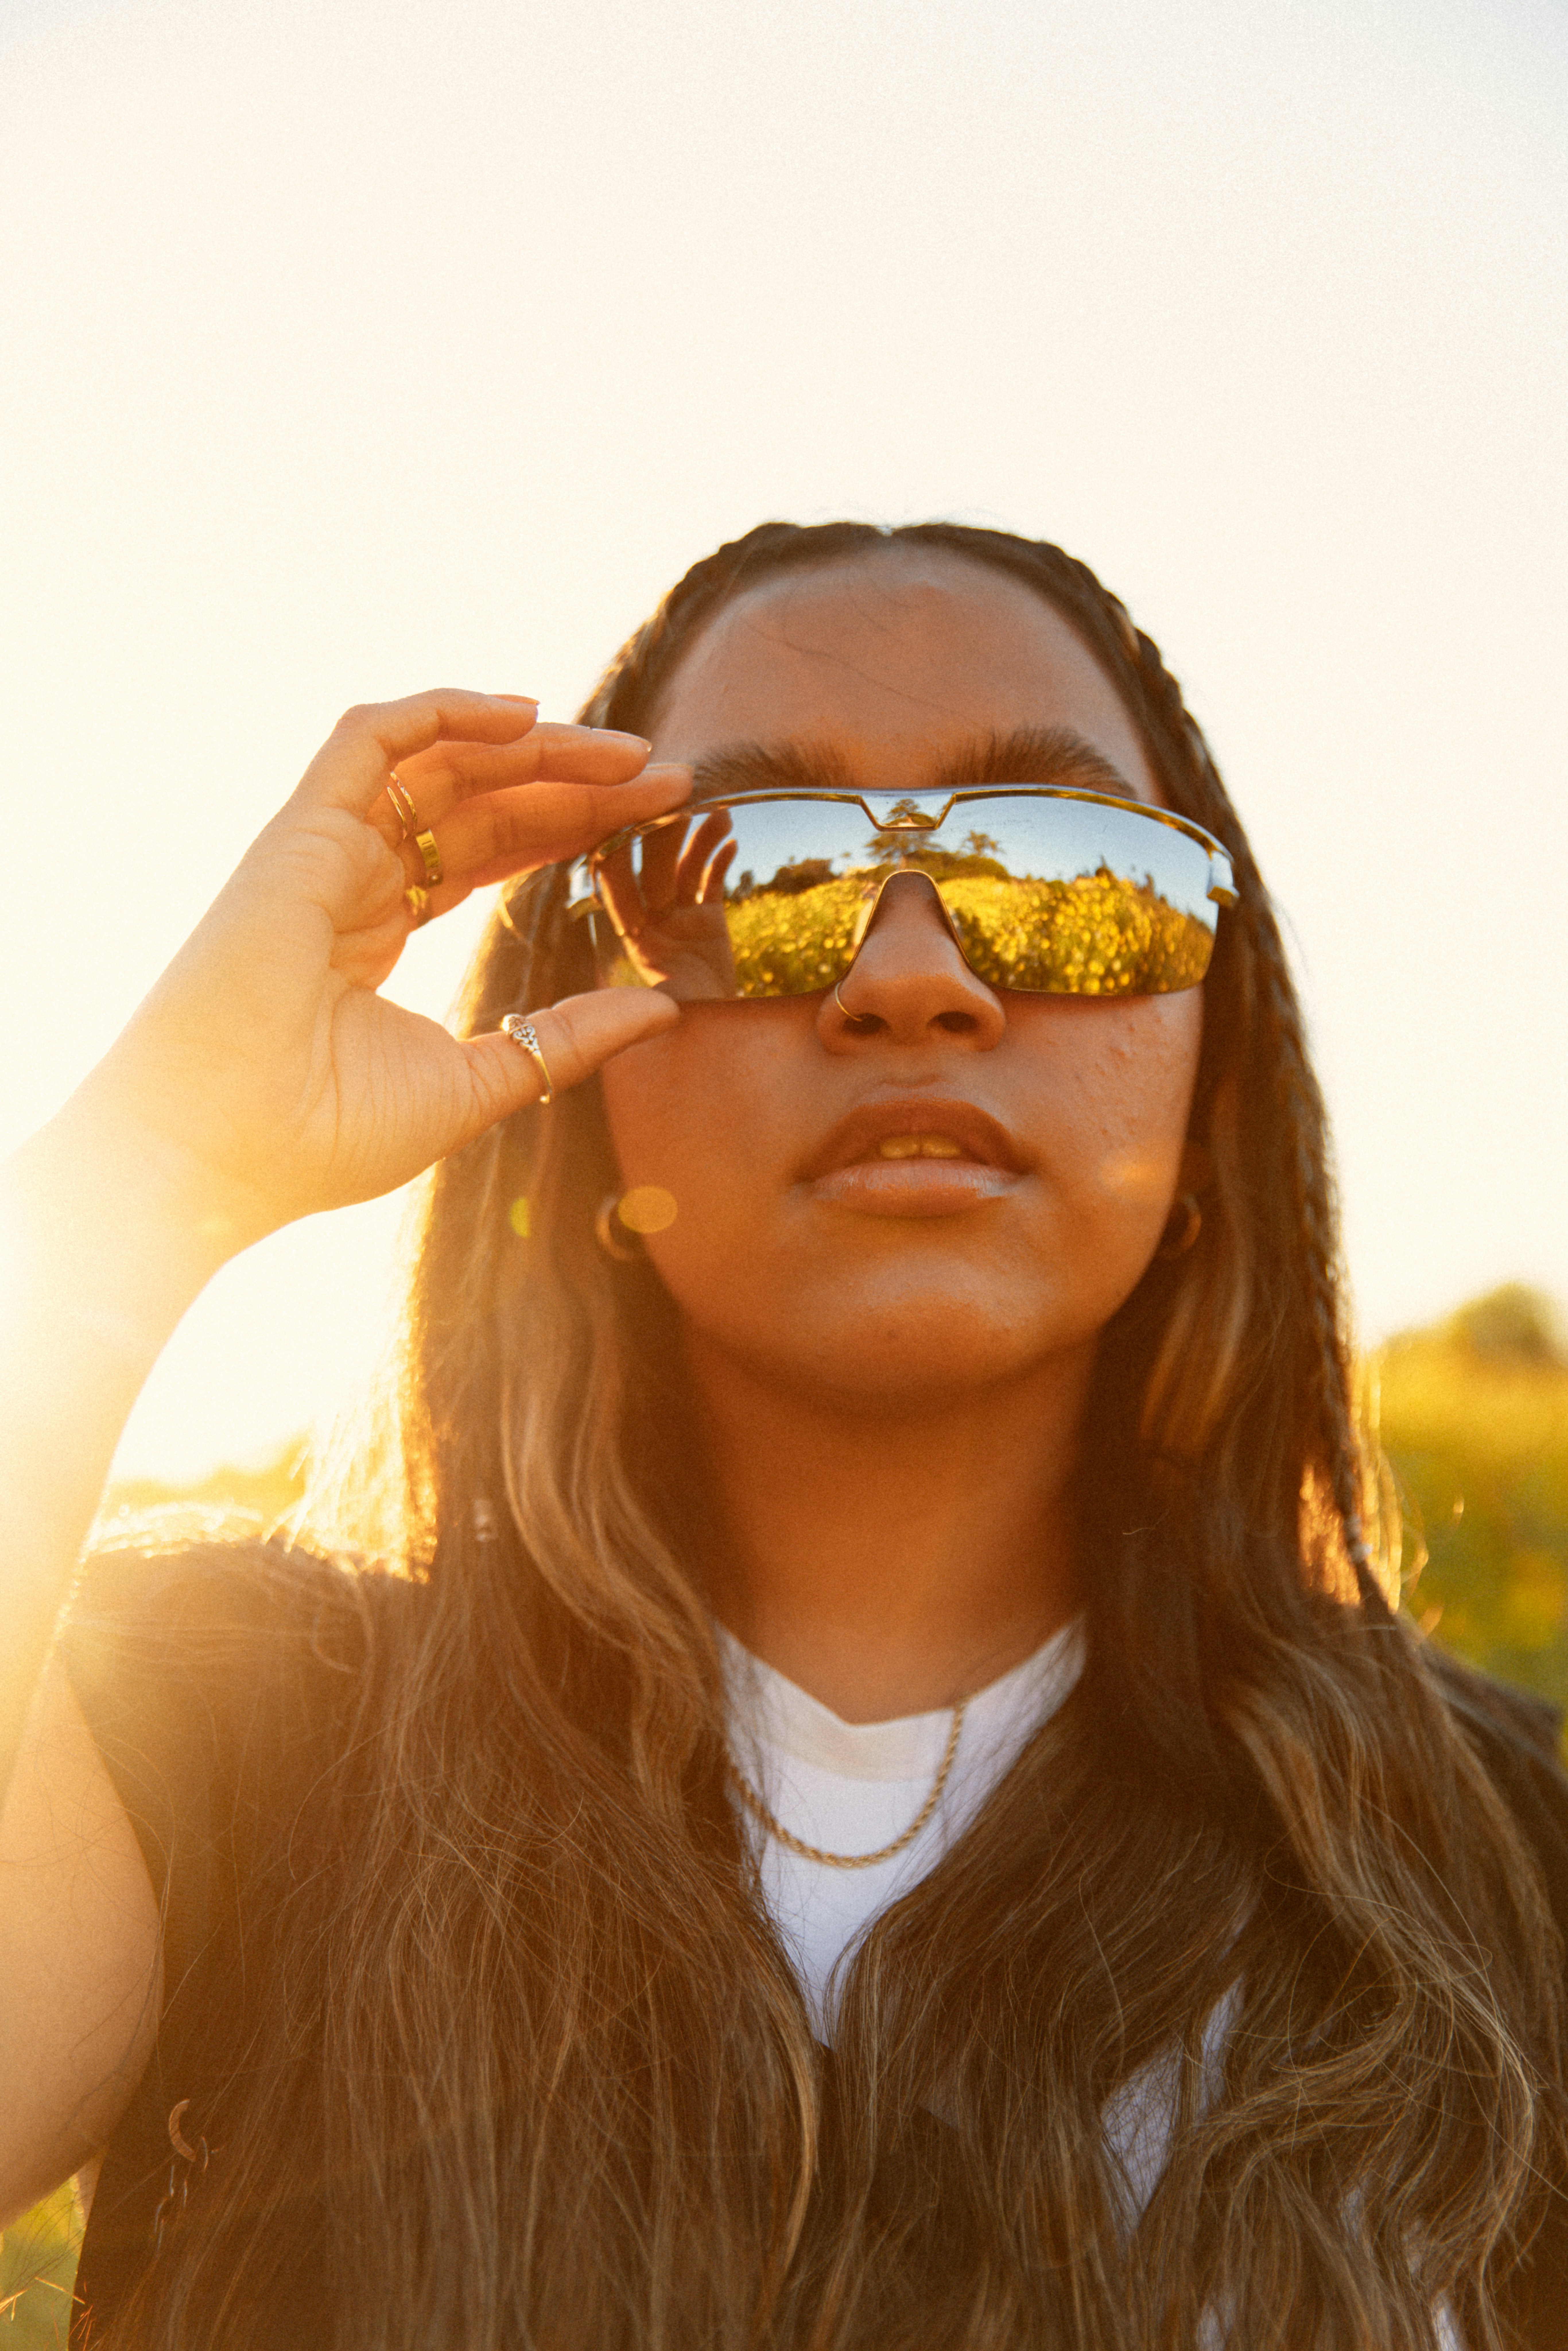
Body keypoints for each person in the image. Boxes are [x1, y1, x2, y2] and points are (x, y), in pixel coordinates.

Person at [1, 520, 1565, 2350]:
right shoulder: (222, 1738)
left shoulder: (1516, 1871)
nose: (909, 980)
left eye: (1068, 876)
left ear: (1212, 1059)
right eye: (751, 875)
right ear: (575, 1053)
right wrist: (151, 1166)